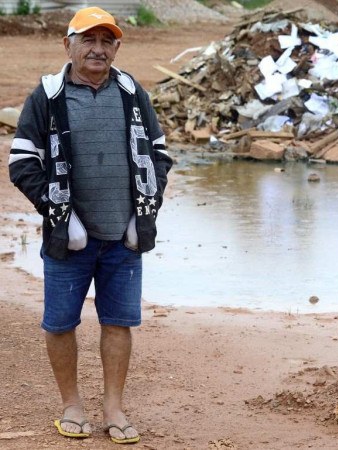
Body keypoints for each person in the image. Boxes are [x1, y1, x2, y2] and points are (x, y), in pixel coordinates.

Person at [8, 6, 172, 444]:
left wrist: (145, 212)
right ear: (68, 45)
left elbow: (160, 155)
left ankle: (114, 408)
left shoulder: (132, 92)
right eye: (88, 40)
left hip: (124, 241)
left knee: (118, 323)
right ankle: (71, 405)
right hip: (69, 241)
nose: (98, 50)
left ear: (117, 47)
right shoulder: (48, 96)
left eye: (107, 41)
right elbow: (23, 163)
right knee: (60, 323)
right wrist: (61, 215)